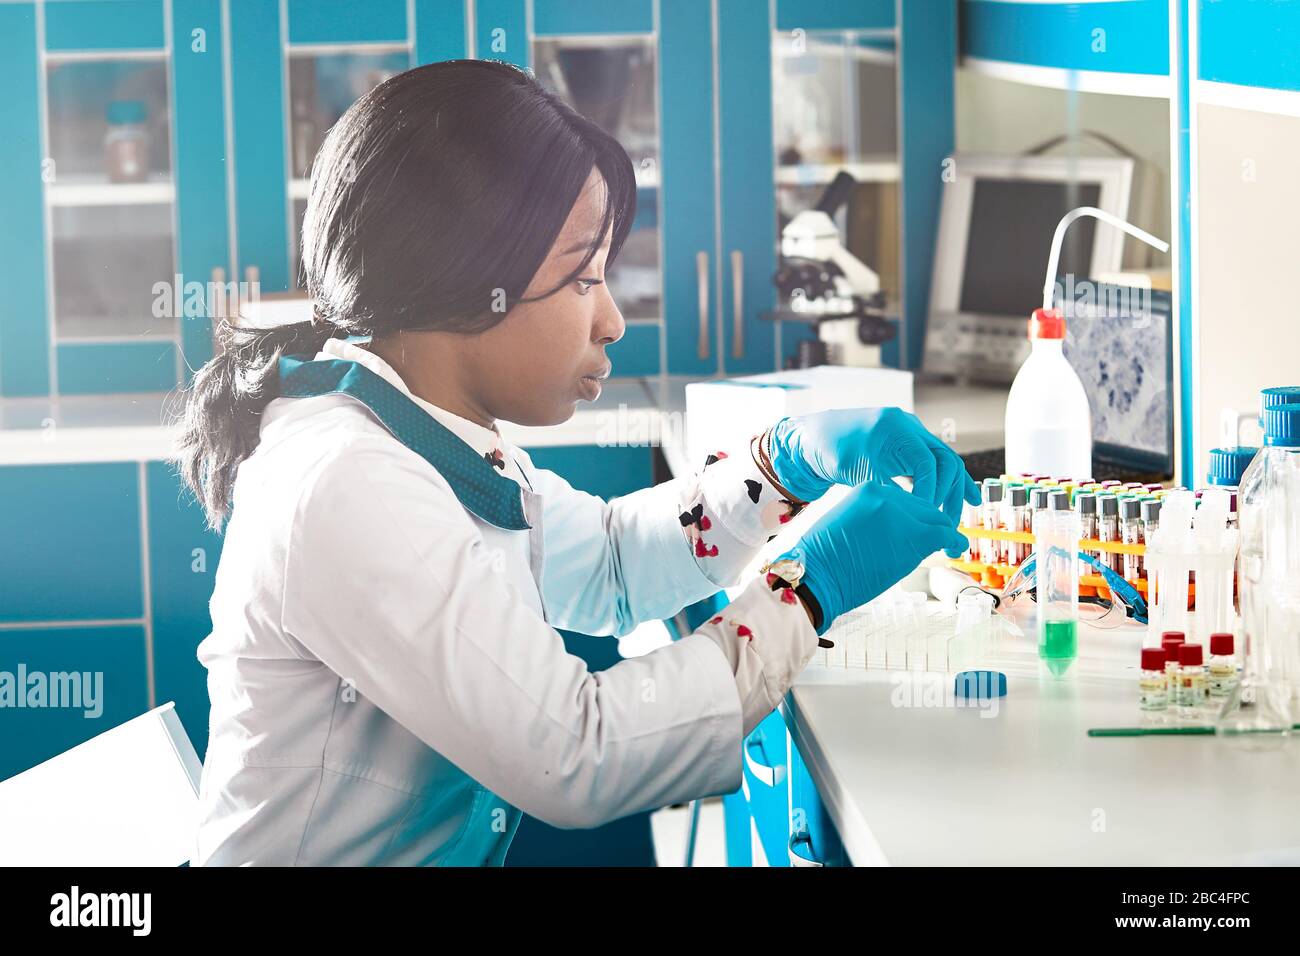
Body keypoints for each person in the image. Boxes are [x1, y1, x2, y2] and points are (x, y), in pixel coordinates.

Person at [179, 59, 978, 866]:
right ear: (468, 275)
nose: (611, 320)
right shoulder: (349, 483)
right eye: (583, 278)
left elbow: (610, 562)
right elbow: (579, 753)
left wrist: (784, 467)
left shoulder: (420, 428)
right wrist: (810, 586)